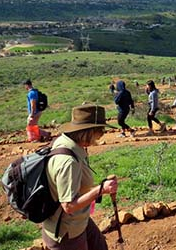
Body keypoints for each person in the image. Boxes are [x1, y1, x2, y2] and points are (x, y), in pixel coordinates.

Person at [42, 104, 118, 250]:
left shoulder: (69, 143)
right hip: (67, 232)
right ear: (88, 131)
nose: (102, 133)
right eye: (100, 130)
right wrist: (101, 190)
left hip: (79, 221)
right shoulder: (68, 161)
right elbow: (68, 206)